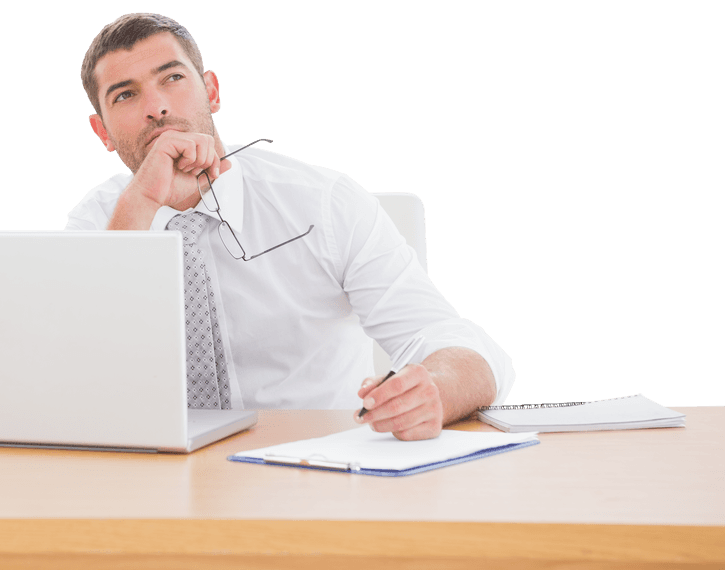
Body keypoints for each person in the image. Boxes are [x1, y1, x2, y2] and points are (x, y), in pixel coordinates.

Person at [66, 12, 514, 441]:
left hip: (311, 470)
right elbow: (76, 365)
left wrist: (434, 388)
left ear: (212, 91)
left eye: (173, 78)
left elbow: (451, 340)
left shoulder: (324, 201)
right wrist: (142, 202)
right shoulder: (96, 220)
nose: (157, 108)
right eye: (125, 95)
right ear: (102, 132)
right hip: (151, 475)